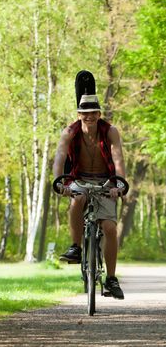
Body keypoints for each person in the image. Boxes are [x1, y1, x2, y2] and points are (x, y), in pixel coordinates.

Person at [53, 93, 126, 299]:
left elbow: (118, 159)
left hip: (106, 180)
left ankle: (111, 279)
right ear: (79, 114)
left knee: (110, 228)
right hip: (80, 178)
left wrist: (119, 184)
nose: (89, 116)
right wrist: (59, 182)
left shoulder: (110, 131)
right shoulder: (69, 132)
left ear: (99, 113)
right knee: (78, 199)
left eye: (93, 112)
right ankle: (76, 247)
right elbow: (59, 157)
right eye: (85, 113)